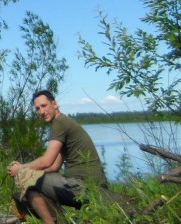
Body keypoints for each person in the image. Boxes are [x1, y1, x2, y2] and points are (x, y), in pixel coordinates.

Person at [7, 90, 107, 223]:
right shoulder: (63, 121)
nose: (41, 112)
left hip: (83, 184)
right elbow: (54, 166)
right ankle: (60, 221)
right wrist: (30, 171)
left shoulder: (59, 123)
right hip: (86, 182)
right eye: (37, 108)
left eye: (44, 106)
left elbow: (47, 161)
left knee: (29, 182)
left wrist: (21, 169)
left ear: (54, 104)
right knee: (32, 177)